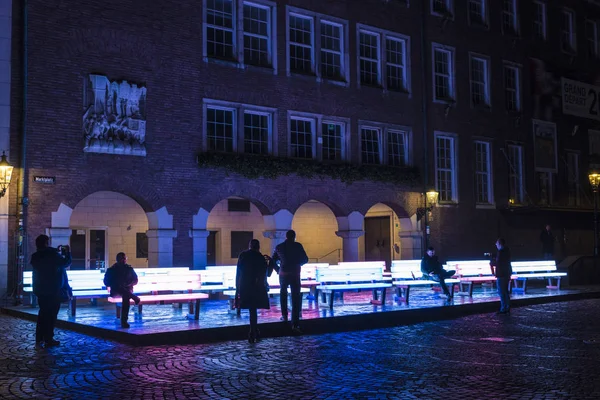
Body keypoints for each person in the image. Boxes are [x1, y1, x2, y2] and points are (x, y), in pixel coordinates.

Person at [31, 234, 72, 348]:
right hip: (53, 290)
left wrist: (54, 251)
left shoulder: (35, 256)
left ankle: (39, 337)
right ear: (46, 243)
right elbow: (66, 263)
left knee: (43, 313)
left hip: (40, 289)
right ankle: (49, 338)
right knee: (52, 315)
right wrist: (67, 252)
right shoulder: (52, 255)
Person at [271, 230, 308, 334]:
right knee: (295, 296)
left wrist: (278, 269)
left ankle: (284, 315)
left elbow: (273, 260)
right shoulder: (298, 246)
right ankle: (295, 322)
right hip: (295, 273)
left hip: (283, 274)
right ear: (294, 237)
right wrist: (297, 263)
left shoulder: (279, 247)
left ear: (286, 237)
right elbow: (305, 259)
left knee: (283, 293)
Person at [236, 239, 270, 343]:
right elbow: (265, 273)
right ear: (258, 246)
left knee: (252, 309)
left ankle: (253, 331)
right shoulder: (260, 257)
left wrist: (237, 287)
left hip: (245, 285)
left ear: (249, 246)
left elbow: (238, 272)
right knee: (253, 309)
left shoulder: (243, 255)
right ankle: (253, 331)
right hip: (256, 285)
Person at [103, 252, 140, 328]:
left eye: (124, 258)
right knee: (121, 288)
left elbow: (135, 280)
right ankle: (133, 297)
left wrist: (127, 284)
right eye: (121, 258)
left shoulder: (129, 269)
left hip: (127, 291)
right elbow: (106, 282)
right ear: (117, 260)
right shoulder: (112, 270)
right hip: (116, 291)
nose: (123, 260)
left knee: (126, 295)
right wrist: (115, 283)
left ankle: (124, 321)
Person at [490, 238, 512, 315]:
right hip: (506, 273)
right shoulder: (507, 251)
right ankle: (507, 307)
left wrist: (492, 261)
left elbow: (498, 263)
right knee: (505, 291)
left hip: (501, 274)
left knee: (502, 292)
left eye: (496, 243)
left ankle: (503, 308)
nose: (495, 244)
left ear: (499, 243)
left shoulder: (501, 252)